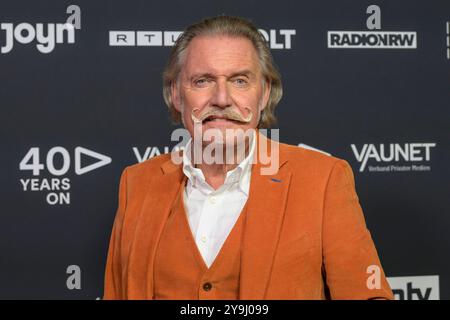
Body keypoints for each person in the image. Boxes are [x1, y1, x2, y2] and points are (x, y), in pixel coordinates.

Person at [103, 15, 393, 300]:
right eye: (202, 81)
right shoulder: (137, 183)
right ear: (177, 95)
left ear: (264, 94)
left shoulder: (323, 180)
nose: (221, 99)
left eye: (240, 81)